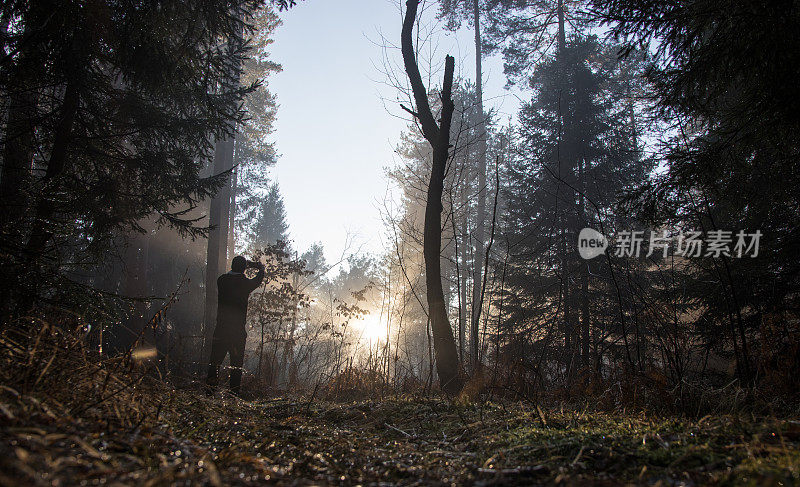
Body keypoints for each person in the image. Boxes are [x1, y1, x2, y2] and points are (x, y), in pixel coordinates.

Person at [205, 255, 265, 396]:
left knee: (214, 364)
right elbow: (258, 278)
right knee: (236, 366)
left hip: (220, 329)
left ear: (232, 266)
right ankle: (233, 396)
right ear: (244, 268)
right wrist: (259, 268)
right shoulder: (245, 284)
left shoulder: (222, 280)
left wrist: (245, 265)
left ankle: (209, 393)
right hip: (237, 332)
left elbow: (233, 274)